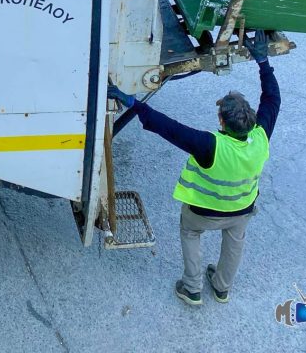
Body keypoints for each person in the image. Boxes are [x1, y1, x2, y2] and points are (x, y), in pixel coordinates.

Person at [108, 30, 280, 306]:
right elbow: (272, 99)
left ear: (222, 122)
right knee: (235, 241)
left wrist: (130, 101)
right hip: (242, 211)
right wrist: (263, 63)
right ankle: (222, 288)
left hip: (203, 213)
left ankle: (192, 288)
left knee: (190, 233)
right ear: (250, 119)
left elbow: (168, 127)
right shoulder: (261, 135)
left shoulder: (209, 144)